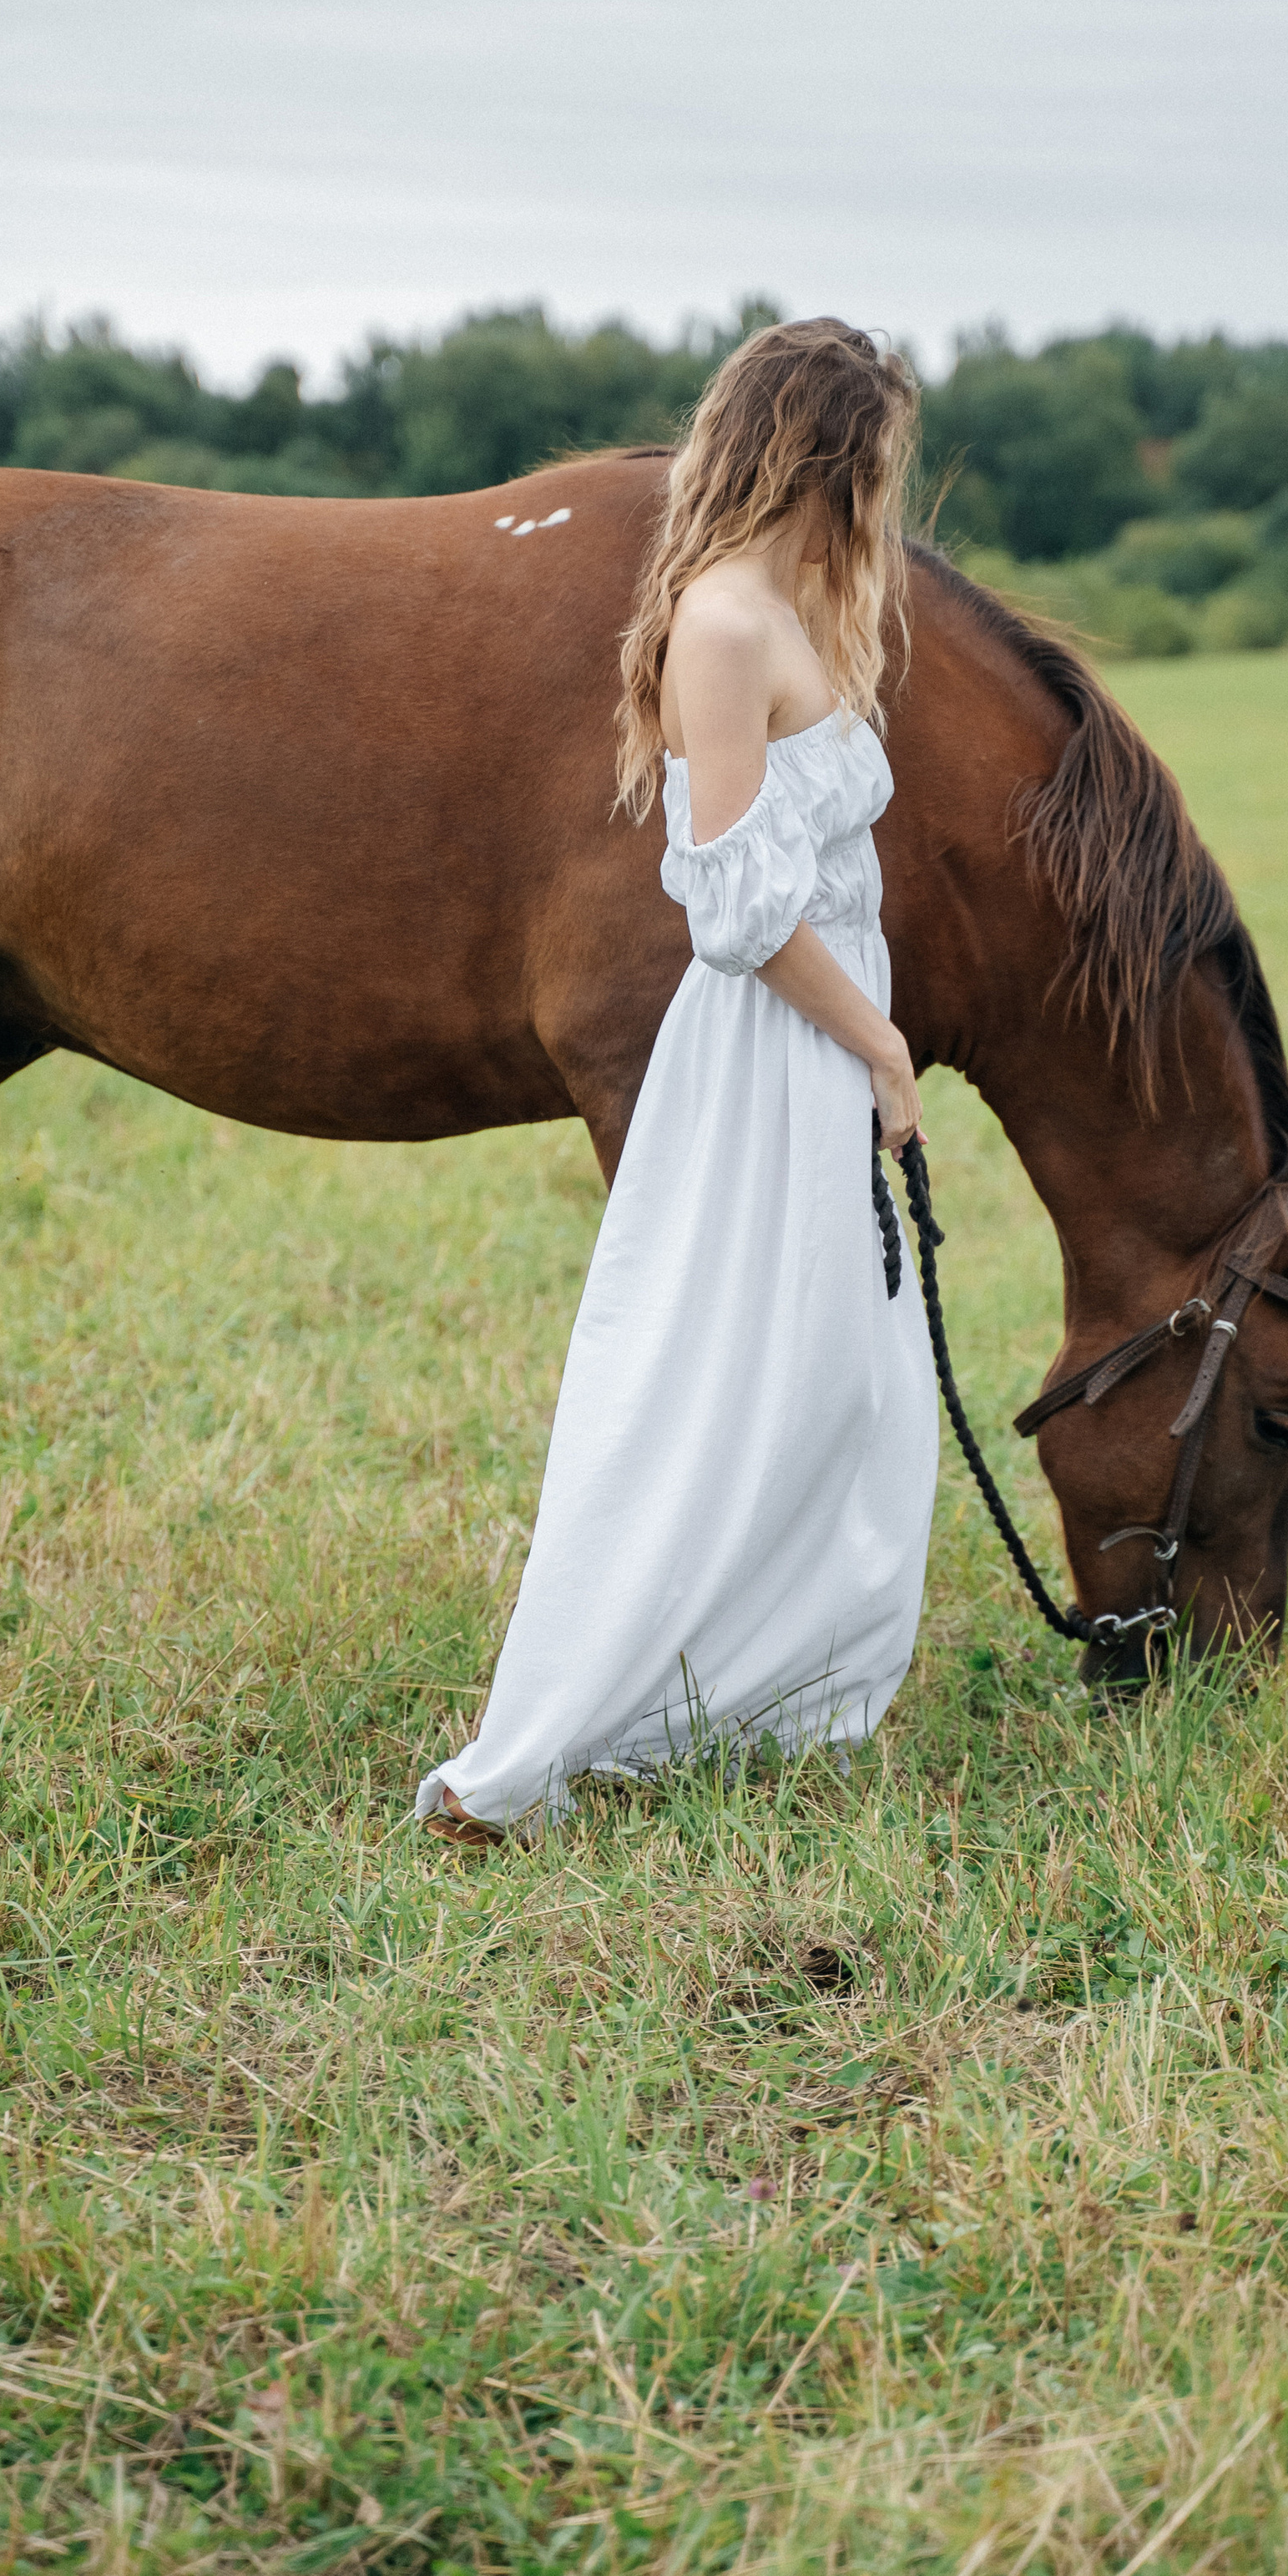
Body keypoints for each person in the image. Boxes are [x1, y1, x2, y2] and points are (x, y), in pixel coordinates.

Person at [417, 318, 940, 1840]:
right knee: (720, 1376)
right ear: (832, 459)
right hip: (779, 1050)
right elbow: (734, 908)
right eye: (879, 468)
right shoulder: (722, 627)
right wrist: (878, 1040)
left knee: (834, 1377)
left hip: (822, 1038)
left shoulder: (799, 613)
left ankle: (766, 1684)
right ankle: (570, 1717)